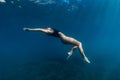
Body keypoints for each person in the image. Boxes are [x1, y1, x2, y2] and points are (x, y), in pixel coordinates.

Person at [23, 27, 90, 63]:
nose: (49, 27)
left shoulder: (50, 31)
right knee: (79, 43)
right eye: (47, 28)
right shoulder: (48, 31)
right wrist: (29, 29)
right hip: (65, 39)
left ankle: (71, 51)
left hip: (64, 40)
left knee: (78, 45)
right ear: (47, 29)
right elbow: (39, 29)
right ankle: (84, 57)